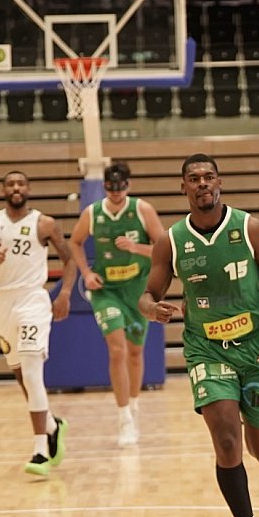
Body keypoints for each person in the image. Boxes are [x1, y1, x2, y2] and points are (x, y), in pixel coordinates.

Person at [140, 153, 259, 517]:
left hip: (255, 349)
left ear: (219, 182)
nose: (202, 183)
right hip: (206, 350)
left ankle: (246, 413)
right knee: (225, 440)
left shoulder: (250, 228)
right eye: (194, 178)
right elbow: (148, 295)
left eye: (208, 176)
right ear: (183, 187)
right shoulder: (171, 240)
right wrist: (151, 309)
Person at [0, 171, 84, 477]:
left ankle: (40, 450)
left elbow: (69, 260)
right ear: (3, 190)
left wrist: (64, 295)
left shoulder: (44, 223)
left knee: (33, 373)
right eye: (11, 184)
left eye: (21, 183)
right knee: (22, 377)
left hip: (33, 299)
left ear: (29, 189)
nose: (16, 187)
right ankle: (52, 426)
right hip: (3, 302)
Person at [69, 161, 170, 447]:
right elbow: (75, 242)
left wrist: (135, 247)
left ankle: (134, 407)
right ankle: (123, 417)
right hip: (107, 291)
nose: (116, 191)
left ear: (128, 185)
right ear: (104, 186)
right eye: (111, 187)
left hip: (137, 291)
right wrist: (86, 272)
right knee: (117, 350)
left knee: (135, 352)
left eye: (121, 186)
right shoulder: (92, 213)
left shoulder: (142, 210)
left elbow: (164, 249)